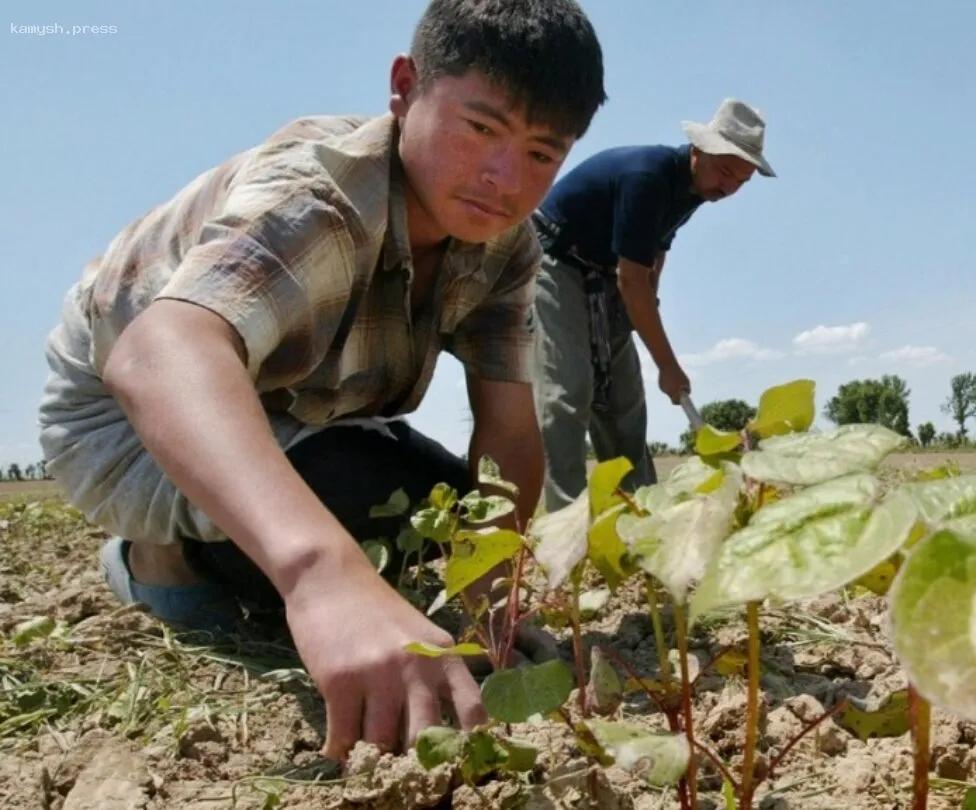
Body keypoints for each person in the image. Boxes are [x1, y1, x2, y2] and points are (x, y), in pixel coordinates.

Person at [35, 0, 605, 762]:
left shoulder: (506, 245)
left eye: (542, 154)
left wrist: (487, 597)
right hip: (131, 420)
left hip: (296, 413)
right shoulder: (323, 196)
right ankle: (155, 560)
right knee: (347, 515)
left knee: (437, 525)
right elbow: (158, 352)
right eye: (481, 129)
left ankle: (286, 558)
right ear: (404, 88)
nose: (504, 179)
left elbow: (508, 431)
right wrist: (319, 576)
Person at [528, 98, 775, 511]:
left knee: (624, 401)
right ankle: (564, 526)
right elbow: (632, 279)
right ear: (699, 150)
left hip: (610, 274)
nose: (729, 188)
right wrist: (667, 364)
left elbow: (655, 254)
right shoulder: (648, 178)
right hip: (555, 261)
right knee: (567, 394)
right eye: (726, 172)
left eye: (742, 182)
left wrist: (643, 311)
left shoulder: (696, 189)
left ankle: (644, 516)